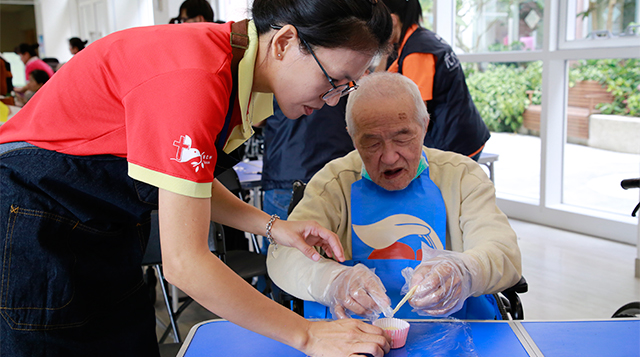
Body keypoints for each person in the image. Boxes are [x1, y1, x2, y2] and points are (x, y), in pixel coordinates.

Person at [0, 1, 393, 356]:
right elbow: (185, 263)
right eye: (333, 80)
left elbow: (186, 181)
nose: (333, 99)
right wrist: (308, 334)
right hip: (36, 223)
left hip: (100, 229)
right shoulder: (196, 76)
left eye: (346, 88)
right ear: (285, 42)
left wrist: (274, 226)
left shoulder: (233, 68)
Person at [267, 72, 522, 321]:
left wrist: (465, 271)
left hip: (458, 332)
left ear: (424, 125)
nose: (389, 157)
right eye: (372, 143)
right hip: (352, 335)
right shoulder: (334, 183)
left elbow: (503, 252)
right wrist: (333, 281)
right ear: (352, 137)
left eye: (403, 138)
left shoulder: (462, 176)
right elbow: (283, 255)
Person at [378, 0, 490, 161]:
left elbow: (417, 112)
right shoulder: (417, 40)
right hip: (464, 131)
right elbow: (379, 81)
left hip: (455, 142)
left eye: (378, 22)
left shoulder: (416, 53)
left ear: (393, 20)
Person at [262, 96, 354, 221]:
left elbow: (255, 119)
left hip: (286, 172)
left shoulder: (277, 78)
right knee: (335, 238)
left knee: (281, 237)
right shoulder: (341, 80)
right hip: (336, 172)